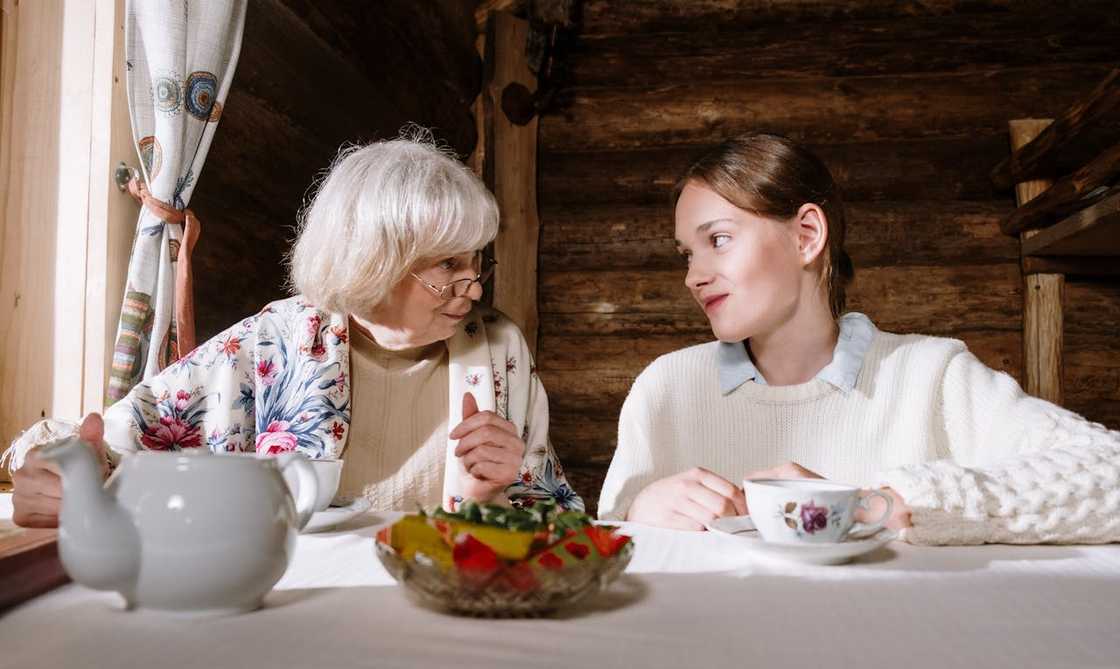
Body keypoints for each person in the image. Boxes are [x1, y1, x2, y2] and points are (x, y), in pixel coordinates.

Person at [6, 132, 581, 528]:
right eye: (449, 267)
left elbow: (556, 515)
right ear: (371, 263)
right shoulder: (278, 341)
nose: (475, 288)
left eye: (477, 262)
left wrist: (497, 493)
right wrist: (53, 470)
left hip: (439, 600)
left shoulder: (499, 347)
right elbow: (110, 444)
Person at [598, 133, 1120, 545]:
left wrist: (873, 506)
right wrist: (636, 516)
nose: (694, 275)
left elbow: (1109, 473)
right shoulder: (665, 386)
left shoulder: (932, 373)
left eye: (718, 239)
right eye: (687, 254)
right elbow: (607, 551)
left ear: (806, 236)